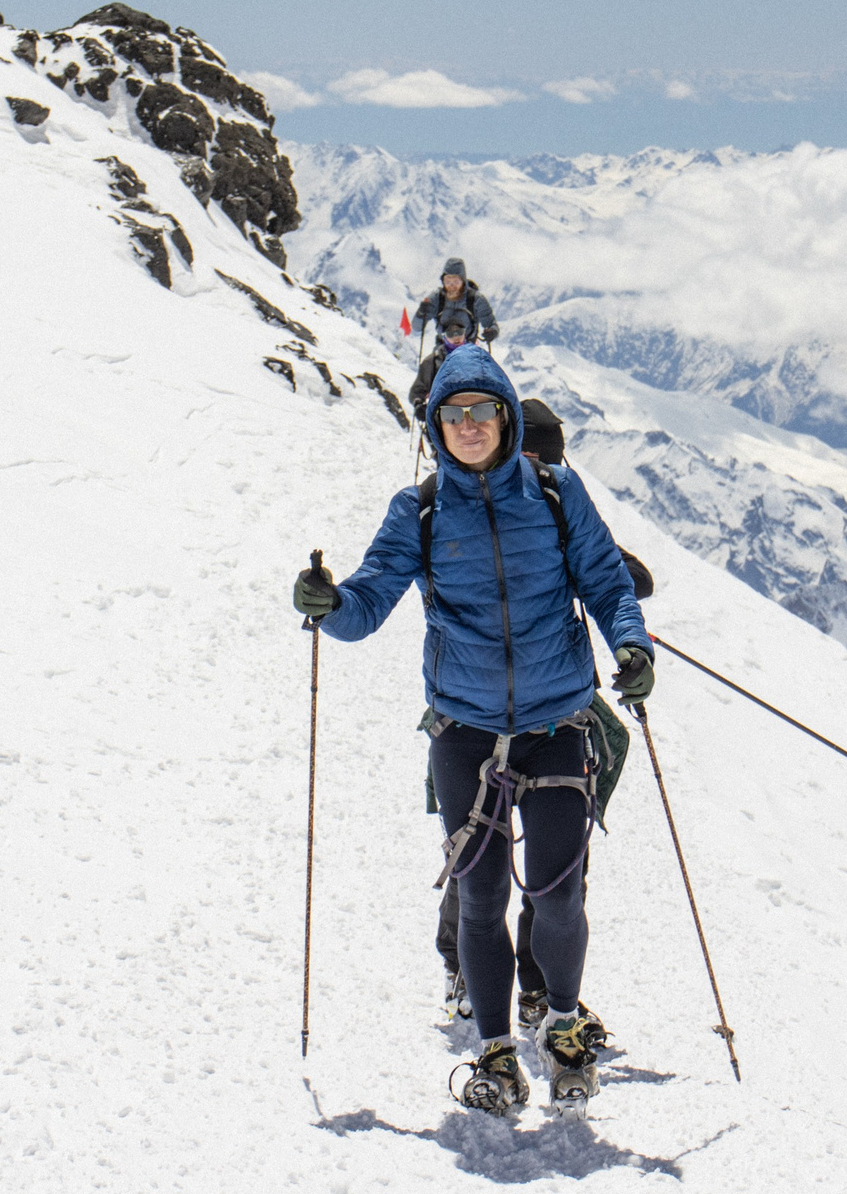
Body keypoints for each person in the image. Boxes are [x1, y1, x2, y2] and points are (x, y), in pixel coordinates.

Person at [293, 348, 654, 1116]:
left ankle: (560, 1024)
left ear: (505, 416)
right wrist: (332, 605)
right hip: (465, 732)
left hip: (558, 720)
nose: (468, 427)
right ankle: (496, 1051)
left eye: (481, 413)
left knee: (557, 898)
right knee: (481, 897)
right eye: (453, 417)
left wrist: (633, 645)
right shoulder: (417, 512)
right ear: (436, 427)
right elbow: (372, 597)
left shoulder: (558, 494)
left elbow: (607, 581)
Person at [430, 398, 646, 1042]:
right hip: (481, 707)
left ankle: (522, 985)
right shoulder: (467, 505)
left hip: (537, 698)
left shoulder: (554, 502)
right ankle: (506, 982)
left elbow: (616, 573)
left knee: (484, 850)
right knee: (489, 858)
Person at [413, 258, 498, 348]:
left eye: (456, 282)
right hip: (443, 351)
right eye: (448, 282)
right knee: (427, 363)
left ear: (463, 281)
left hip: (468, 351)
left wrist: (492, 332)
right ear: (443, 281)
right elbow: (417, 327)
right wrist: (421, 313)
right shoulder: (437, 298)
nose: (451, 286)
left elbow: (491, 323)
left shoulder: (475, 299)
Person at [407, 307, 474, 415]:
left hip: (472, 413)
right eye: (451, 334)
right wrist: (418, 404)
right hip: (441, 416)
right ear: (444, 337)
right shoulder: (431, 362)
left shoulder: (476, 359)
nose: (456, 337)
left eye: (460, 332)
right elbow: (417, 391)